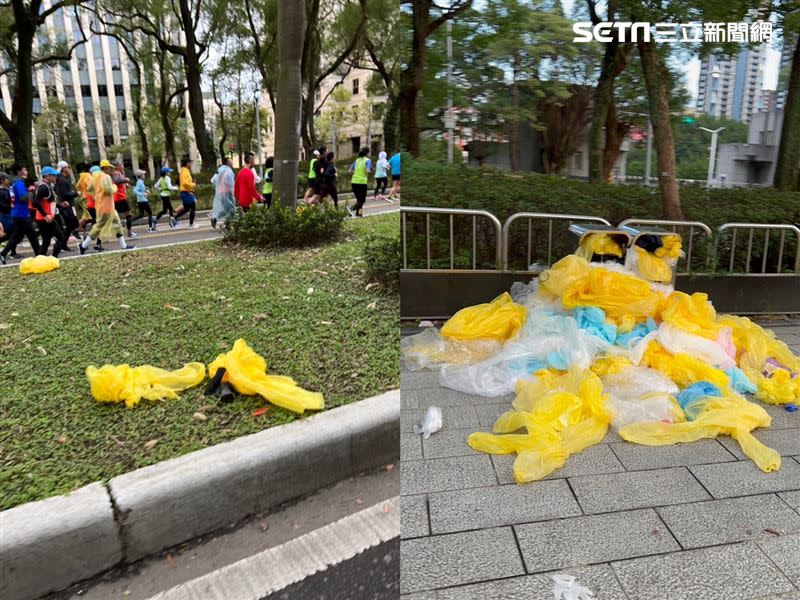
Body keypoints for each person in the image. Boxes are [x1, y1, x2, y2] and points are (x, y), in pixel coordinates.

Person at [79, 162, 134, 254]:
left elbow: (89, 189)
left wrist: (97, 195)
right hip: (107, 206)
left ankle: (124, 246)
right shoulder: (106, 177)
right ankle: (83, 245)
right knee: (98, 227)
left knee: (117, 223)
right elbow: (108, 190)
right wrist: (115, 187)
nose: (111, 170)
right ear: (105, 168)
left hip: (102, 205)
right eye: (109, 168)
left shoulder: (95, 178)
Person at [0, 164, 41, 264]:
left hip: (18, 213)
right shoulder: (19, 183)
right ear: (19, 172)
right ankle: (40, 255)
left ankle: (3, 253)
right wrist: (31, 192)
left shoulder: (17, 183)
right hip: (21, 214)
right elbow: (23, 197)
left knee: (17, 236)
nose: (26, 172)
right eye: (24, 170)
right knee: (31, 235)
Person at [33, 166, 68, 257]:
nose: (55, 177)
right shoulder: (43, 187)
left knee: (46, 241)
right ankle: (53, 257)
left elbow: (49, 202)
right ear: (47, 176)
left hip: (46, 219)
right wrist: (45, 216)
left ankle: (41, 259)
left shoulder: (47, 186)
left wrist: (60, 204)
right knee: (60, 238)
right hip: (44, 219)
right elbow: (35, 203)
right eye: (53, 175)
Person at [54, 161, 81, 244]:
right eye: (68, 167)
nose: (69, 169)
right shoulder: (62, 180)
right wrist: (76, 193)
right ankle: (61, 243)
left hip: (67, 204)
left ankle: (62, 243)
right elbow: (63, 193)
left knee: (71, 224)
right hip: (66, 205)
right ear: (64, 169)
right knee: (71, 224)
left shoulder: (61, 179)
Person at [171, 157, 198, 228]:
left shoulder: (185, 171)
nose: (191, 164)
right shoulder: (184, 171)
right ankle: (191, 224)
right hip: (187, 192)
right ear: (187, 163)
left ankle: (174, 218)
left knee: (186, 208)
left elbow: (180, 181)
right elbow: (184, 183)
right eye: (190, 163)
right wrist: (193, 184)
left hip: (186, 192)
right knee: (193, 208)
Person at [210, 158, 236, 228]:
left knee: (225, 208)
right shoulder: (228, 171)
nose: (232, 162)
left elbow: (213, 180)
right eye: (231, 161)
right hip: (227, 192)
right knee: (231, 209)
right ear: (228, 163)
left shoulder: (219, 170)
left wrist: (219, 186)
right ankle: (229, 224)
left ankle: (215, 218)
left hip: (220, 193)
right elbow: (229, 183)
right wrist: (233, 190)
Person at [349, 147, 372, 217]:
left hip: (354, 182)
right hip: (362, 182)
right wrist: (370, 171)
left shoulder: (356, 160)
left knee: (359, 199)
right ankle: (350, 209)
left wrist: (356, 174)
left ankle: (359, 214)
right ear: (367, 153)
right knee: (362, 200)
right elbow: (368, 170)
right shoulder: (368, 160)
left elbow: (349, 171)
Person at [0, 172, 13, 249]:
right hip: (5, 216)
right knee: (11, 233)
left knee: (12, 234)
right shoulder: (1, 192)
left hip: (8, 214)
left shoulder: (6, 190)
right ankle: (12, 252)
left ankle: (12, 252)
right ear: (2, 180)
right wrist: (11, 206)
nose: (8, 180)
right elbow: (1, 205)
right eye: (7, 178)